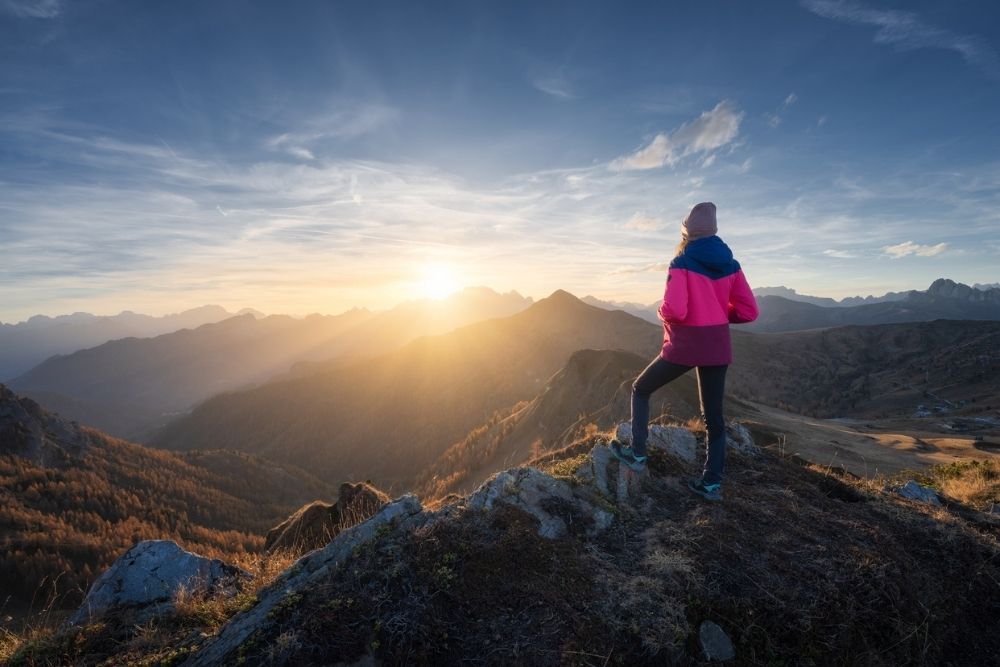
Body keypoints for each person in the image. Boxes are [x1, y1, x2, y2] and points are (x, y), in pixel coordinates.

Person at [611, 202, 759, 502]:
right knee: (713, 419)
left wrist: (661, 312)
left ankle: (637, 454)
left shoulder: (681, 262)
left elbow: (675, 310)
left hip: (685, 346)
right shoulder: (732, 265)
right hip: (717, 345)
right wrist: (717, 314)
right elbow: (749, 311)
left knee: (640, 389)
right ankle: (711, 484)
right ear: (714, 230)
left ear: (686, 232)